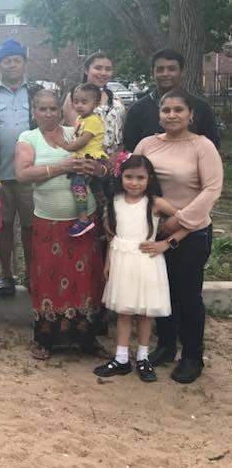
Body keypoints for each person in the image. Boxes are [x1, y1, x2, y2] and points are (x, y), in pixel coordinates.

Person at [135, 89, 223, 383]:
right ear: (159, 114)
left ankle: (192, 356)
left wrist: (178, 221)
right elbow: (133, 179)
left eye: (178, 110)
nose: (171, 115)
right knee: (161, 291)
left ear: (190, 115)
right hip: (154, 231)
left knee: (187, 296)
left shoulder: (202, 146)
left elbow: (211, 190)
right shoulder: (147, 144)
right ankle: (166, 345)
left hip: (193, 233)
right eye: (166, 110)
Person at [14, 90, 108, 360]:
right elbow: (22, 173)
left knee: (86, 278)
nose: (48, 114)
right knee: (48, 278)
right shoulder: (28, 138)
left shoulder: (76, 132)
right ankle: (46, 339)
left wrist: (97, 169)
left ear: (60, 110)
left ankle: (87, 339)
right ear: (34, 111)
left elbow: (104, 162)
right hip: (48, 223)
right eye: (42, 109)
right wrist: (63, 166)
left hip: (83, 222)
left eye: (53, 108)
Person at [93, 154, 181, 382]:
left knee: (143, 313)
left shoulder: (154, 203)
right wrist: (108, 262)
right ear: (120, 176)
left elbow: (186, 221)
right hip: (122, 262)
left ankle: (143, 357)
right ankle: (121, 358)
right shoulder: (115, 202)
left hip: (146, 262)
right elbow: (113, 237)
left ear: (149, 178)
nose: (134, 182)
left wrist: (166, 243)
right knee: (124, 312)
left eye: (140, 178)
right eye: (129, 177)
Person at [0, 38, 41, 296]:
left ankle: (31, 273)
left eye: (16, 60)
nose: (12, 65)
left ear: (24, 63)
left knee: (30, 226)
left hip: (31, 174)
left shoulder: (38, 92)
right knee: (1, 226)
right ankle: (6, 274)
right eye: (7, 61)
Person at [122, 48, 220, 152]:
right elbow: (130, 147)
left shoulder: (201, 107)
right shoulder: (137, 110)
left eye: (171, 69)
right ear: (153, 73)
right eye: (160, 69)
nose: (165, 73)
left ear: (182, 72)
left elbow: (212, 145)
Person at [61, 83, 106, 237]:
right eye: (76, 101)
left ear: (96, 104)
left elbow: (83, 140)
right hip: (82, 157)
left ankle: (83, 219)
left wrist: (66, 147)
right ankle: (103, 220)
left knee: (77, 185)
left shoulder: (93, 120)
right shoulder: (81, 118)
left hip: (90, 159)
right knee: (96, 192)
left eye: (84, 102)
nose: (79, 105)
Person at [62, 51, 126, 156]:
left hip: (113, 160)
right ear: (87, 70)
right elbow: (77, 133)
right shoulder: (74, 98)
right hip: (87, 159)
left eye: (108, 69)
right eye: (98, 68)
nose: (103, 73)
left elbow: (121, 134)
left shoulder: (116, 99)